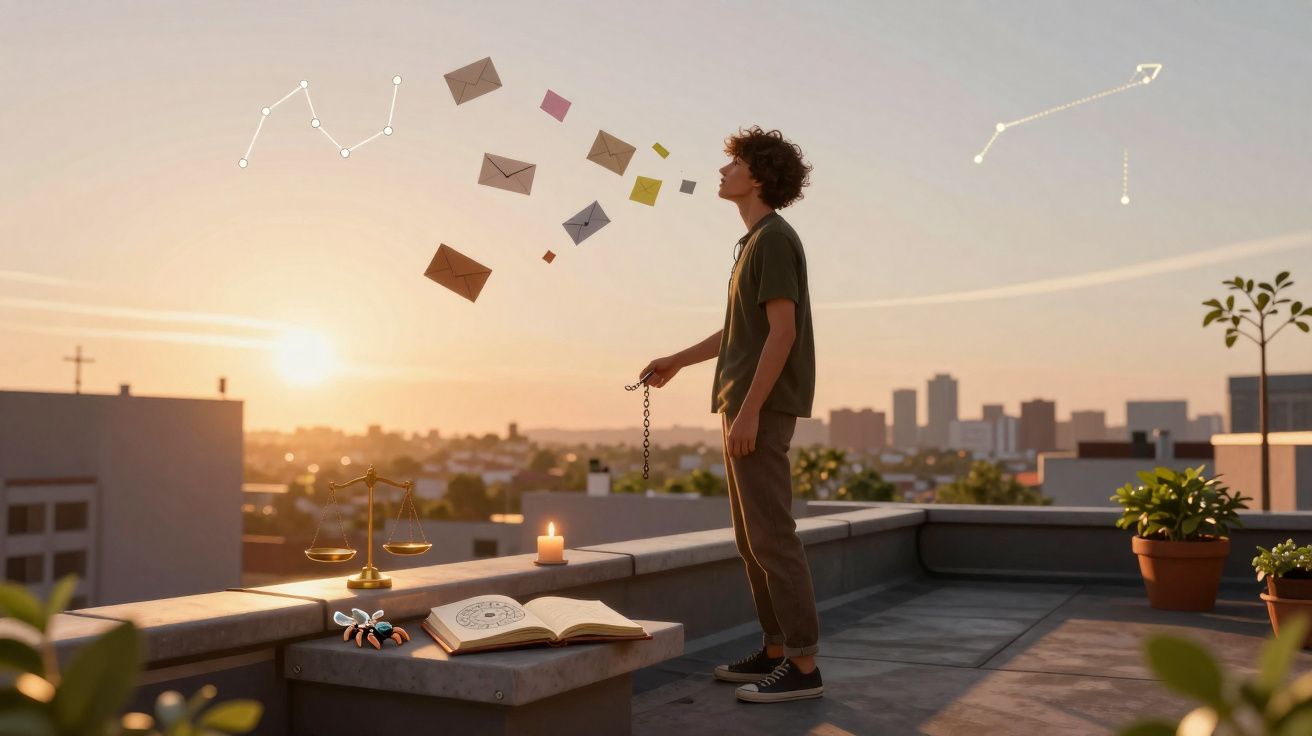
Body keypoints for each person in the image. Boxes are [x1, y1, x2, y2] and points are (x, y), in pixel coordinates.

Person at [639, 126, 820, 704]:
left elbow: (783, 332)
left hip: (757, 410)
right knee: (750, 538)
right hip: (742, 406)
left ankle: (804, 665)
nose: (722, 172)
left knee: (773, 536)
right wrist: (678, 360)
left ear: (758, 177)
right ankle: (774, 649)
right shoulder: (751, 244)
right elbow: (743, 331)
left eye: (733, 164)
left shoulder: (773, 240)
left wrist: (748, 412)